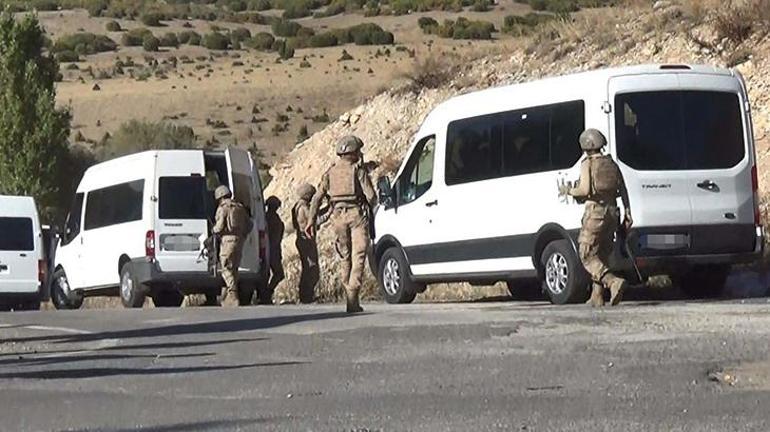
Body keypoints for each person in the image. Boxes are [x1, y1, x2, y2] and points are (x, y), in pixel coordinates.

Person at [559, 129, 632, 307]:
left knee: (586, 253)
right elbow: (622, 188)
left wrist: (569, 190)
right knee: (601, 253)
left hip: (595, 211)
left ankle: (612, 281)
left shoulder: (588, 164)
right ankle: (596, 296)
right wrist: (628, 212)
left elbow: (584, 190)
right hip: (613, 211)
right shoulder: (610, 163)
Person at [306, 135, 377, 313]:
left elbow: (316, 198)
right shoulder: (357, 171)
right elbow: (371, 196)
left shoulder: (330, 172)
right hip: (356, 215)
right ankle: (353, 293)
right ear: (353, 153)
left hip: (336, 217)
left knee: (345, 257)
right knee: (359, 255)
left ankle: (349, 295)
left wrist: (311, 221)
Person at [213, 185, 252, 307]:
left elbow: (219, 227)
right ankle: (229, 298)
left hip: (227, 240)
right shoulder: (239, 207)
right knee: (234, 268)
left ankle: (233, 293)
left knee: (225, 268)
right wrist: (242, 235)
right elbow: (249, 224)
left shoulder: (223, 208)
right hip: (239, 240)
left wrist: (213, 230)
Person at [292, 183, 321, 304]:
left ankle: (305, 295)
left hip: (302, 238)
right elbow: (314, 220)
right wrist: (329, 211)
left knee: (307, 268)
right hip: (306, 240)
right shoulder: (304, 207)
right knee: (311, 269)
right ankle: (306, 295)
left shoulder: (297, 206)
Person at [262, 196, 284, 305]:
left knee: (272, 274)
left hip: (272, 248)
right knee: (279, 273)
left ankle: (265, 294)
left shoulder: (267, 217)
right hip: (272, 249)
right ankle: (266, 294)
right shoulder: (271, 218)